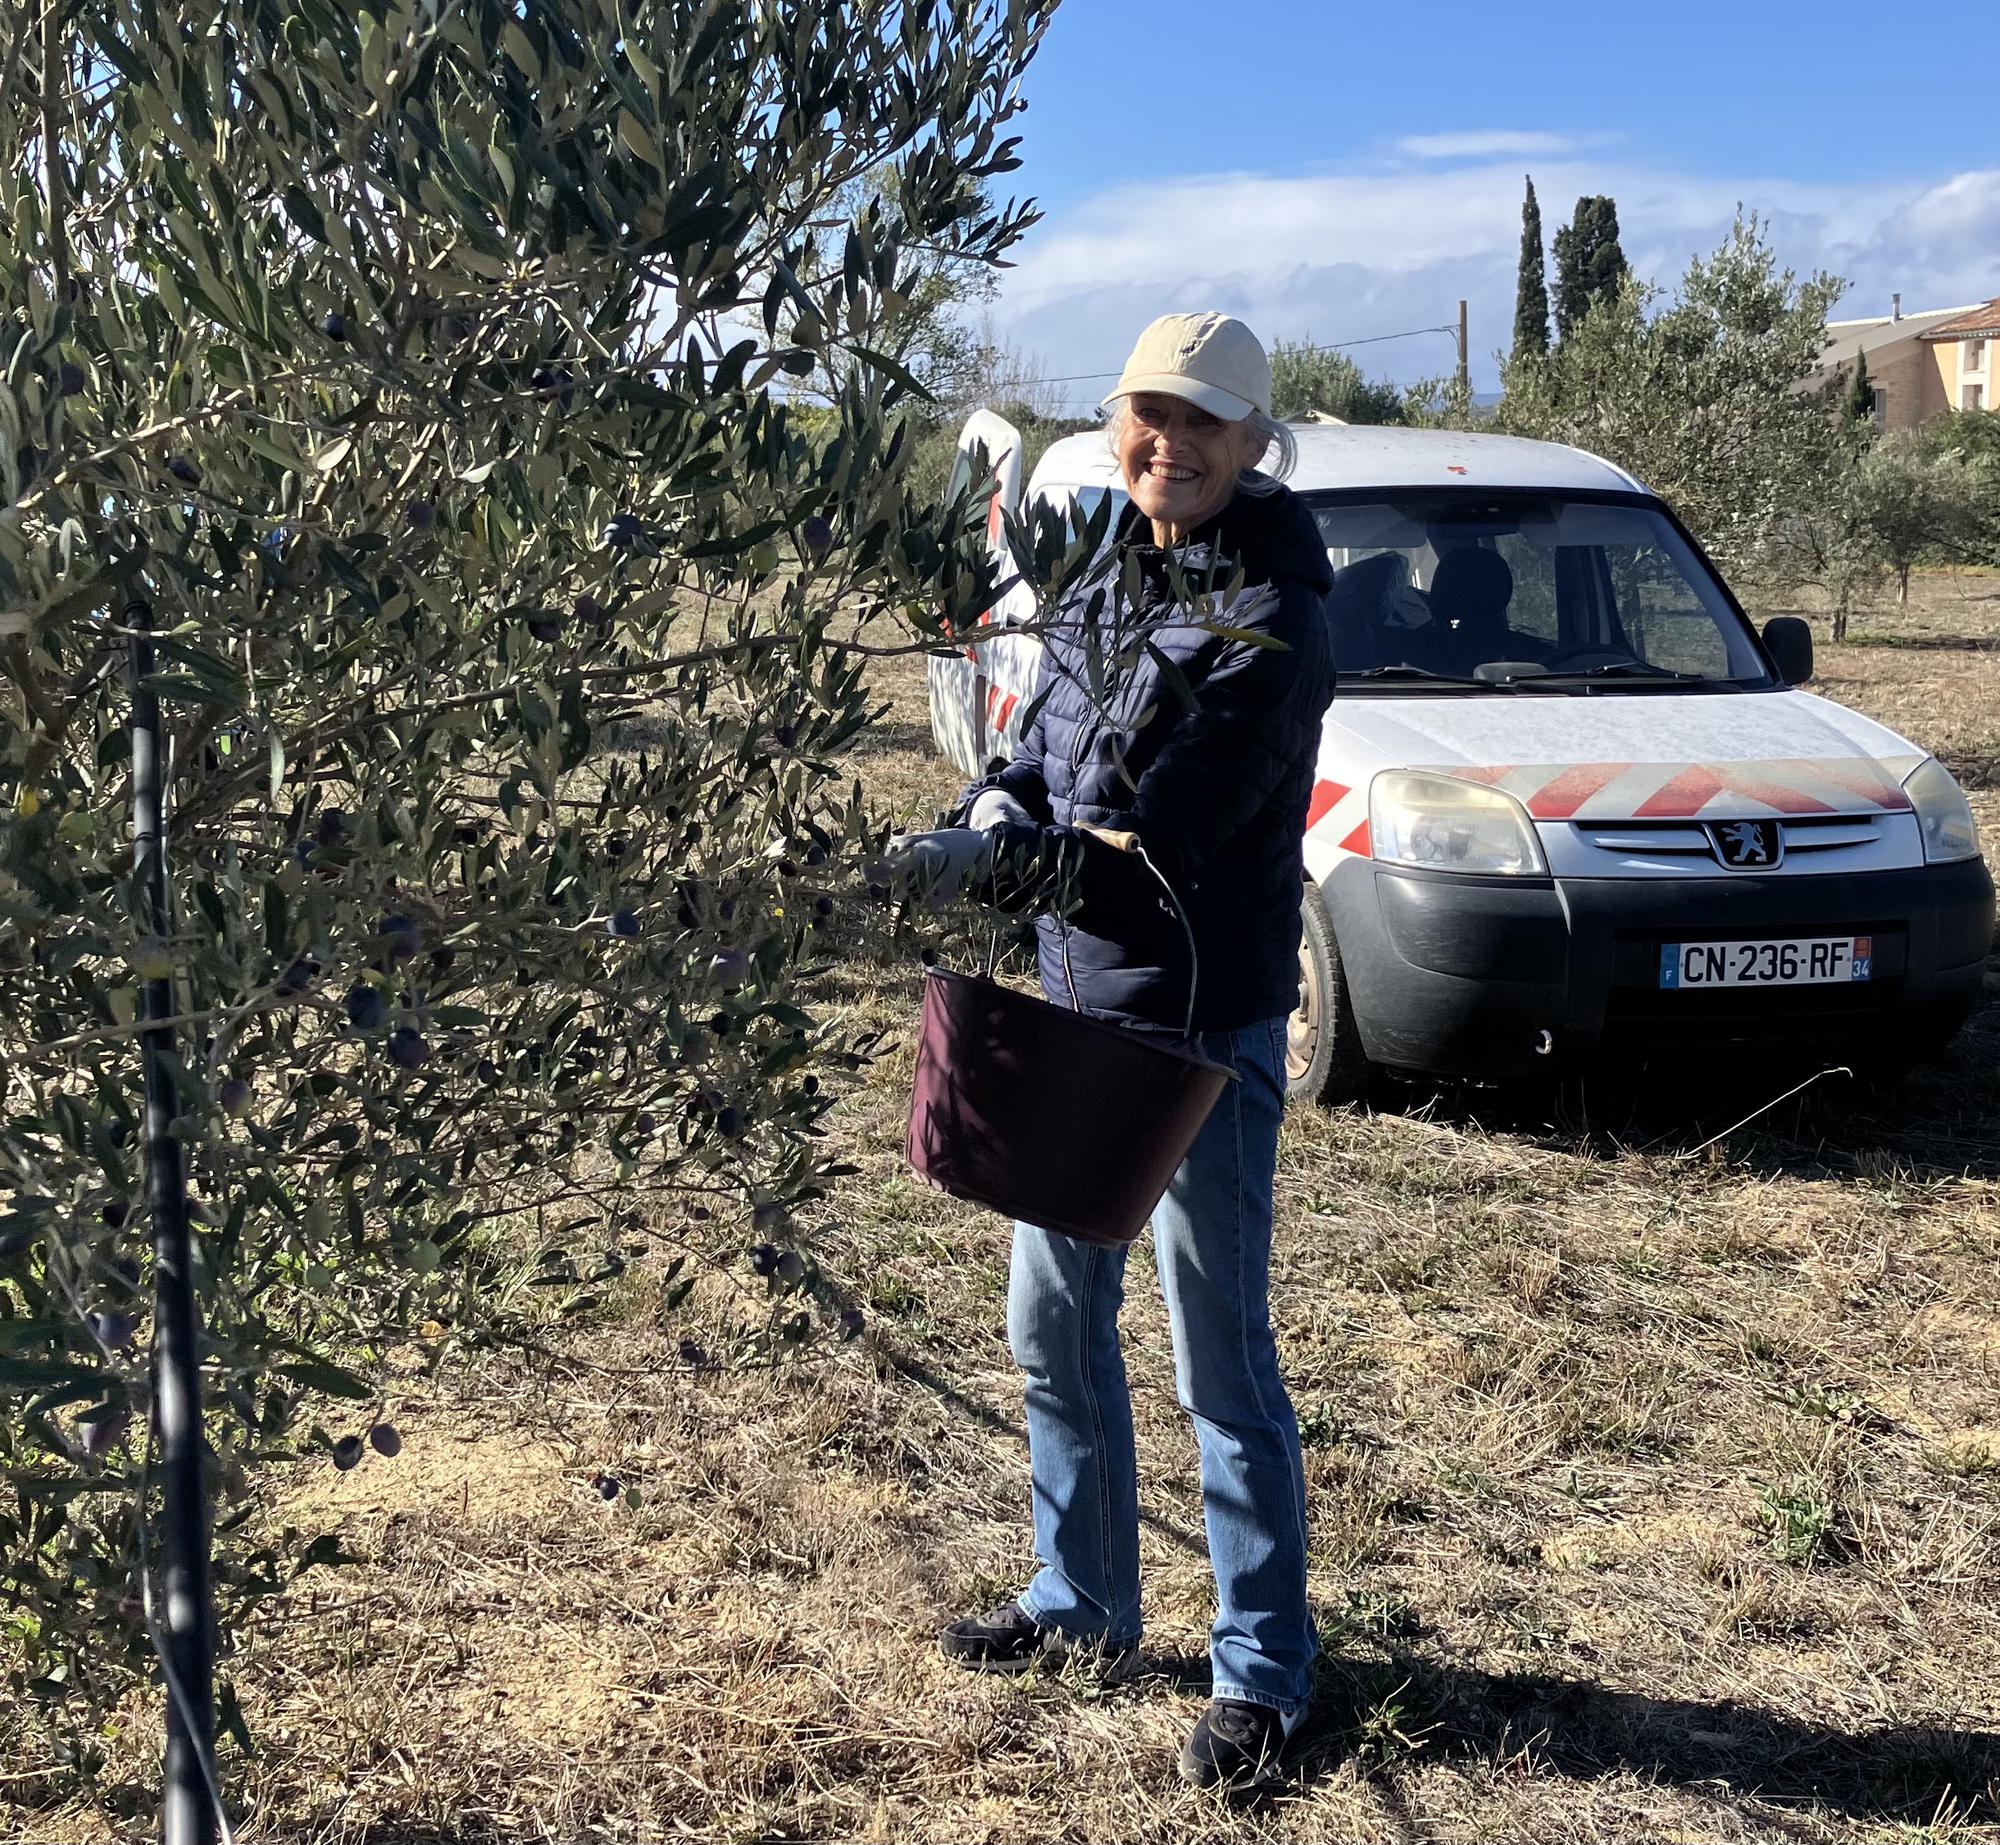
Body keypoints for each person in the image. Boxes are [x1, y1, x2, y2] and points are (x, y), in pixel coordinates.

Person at [889, 312, 1335, 1791]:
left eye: (1206, 421)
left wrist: (1002, 872)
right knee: (1050, 1322)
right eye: (1152, 413)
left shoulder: (1278, 610)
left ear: (1254, 445)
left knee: (1222, 1360)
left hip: (1199, 1029)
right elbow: (1040, 749)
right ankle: (1079, 1601)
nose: (1174, 443)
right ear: (1118, 419)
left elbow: (1179, 813)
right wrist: (995, 808)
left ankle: (1264, 1670)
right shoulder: (1098, 574)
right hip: (1076, 1003)